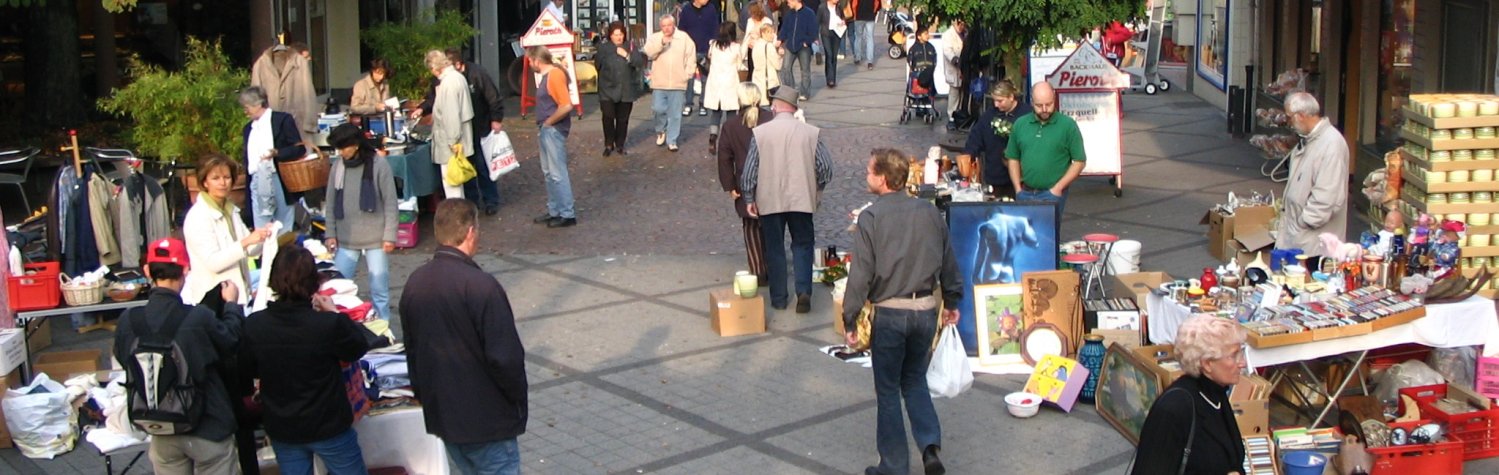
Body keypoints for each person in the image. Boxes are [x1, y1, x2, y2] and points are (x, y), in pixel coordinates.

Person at [842, 149, 960, 475]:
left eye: (868, 171)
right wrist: (952, 301)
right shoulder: (929, 212)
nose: (865, 176)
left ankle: (894, 466)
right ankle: (930, 448)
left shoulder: (871, 217)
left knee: (889, 390)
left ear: (882, 178)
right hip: (924, 308)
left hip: (891, 313)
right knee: (915, 380)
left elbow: (861, 273)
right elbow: (948, 260)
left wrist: (849, 317)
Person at [400, 199, 529, 475]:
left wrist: (425, 396)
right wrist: (516, 402)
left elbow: (412, 351)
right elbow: (506, 358)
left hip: (445, 417)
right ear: (470, 232)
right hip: (487, 421)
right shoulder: (482, 286)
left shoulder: (415, 282)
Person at [115, 238, 243, 475]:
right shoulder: (198, 318)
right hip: (209, 426)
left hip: (160, 426)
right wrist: (232, 306)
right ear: (186, 269)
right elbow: (231, 341)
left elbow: (124, 359)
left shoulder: (128, 320)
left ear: (147, 271)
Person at [241, 246, 371, 475]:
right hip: (328, 426)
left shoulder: (255, 325)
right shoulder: (327, 325)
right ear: (313, 282)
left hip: (284, 426)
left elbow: (247, 369)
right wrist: (334, 314)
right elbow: (357, 347)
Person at [741, 86, 833, 313]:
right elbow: (826, 168)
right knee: (803, 244)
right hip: (801, 198)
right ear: (794, 108)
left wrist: (749, 197)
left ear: (775, 106)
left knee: (774, 247)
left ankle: (779, 298)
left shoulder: (761, 133)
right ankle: (803, 292)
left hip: (770, 198)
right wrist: (816, 187)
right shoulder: (810, 132)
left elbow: (750, 171)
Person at [1131, 316, 1247, 474]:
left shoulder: (1217, 394)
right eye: (1234, 356)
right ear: (1207, 364)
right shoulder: (1173, 409)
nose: (1243, 363)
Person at [322, 124, 397, 320]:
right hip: (346, 238)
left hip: (376, 239)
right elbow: (330, 203)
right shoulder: (337, 167)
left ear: (355, 145)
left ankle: (384, 329)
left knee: (379, 289)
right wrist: (330, 233)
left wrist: (389, 236)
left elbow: (390, 202)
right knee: (337, 287)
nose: (340, 152)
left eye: (343, 147)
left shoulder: (379, 165)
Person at [182, 155, 272, 306]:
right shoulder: (198, 216)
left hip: (238, 297)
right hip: (212, 301)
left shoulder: (231, 211)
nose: (222, 183)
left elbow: (251, 250)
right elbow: (213, 262)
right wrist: (246, 241)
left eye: (227, 177)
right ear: (205, 182)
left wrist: (264, 236)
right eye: (216, 178)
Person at [1277, 91, 1349, 252]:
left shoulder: (1331, 144)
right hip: (1300, 234)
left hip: (1312, 241)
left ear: (1300, 115)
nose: (1288, 122)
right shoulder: (1309, 139)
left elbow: (1326, 195)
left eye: (1289, 117)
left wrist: (1305, 222)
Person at [1005, 82, 1086, 222]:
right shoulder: (1020, 124)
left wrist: (1058, 188)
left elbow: (1079, 161)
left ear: (1054, 99)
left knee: (1048, 236)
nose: (1044, 109)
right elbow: (1013, 157)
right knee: (1025, 235)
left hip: (1051, 193)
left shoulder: (1067, 125)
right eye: (1039, 105)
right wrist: (1018, 188)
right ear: (1031, 102)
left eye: (1048, 104)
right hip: (1026, 191)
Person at [718, 82, 773, 286]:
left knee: (750, 227)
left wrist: (729, 185)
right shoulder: (771, 119)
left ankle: (758, 270)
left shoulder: (731, 125)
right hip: (771, 180)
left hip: (744, 181)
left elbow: (724, 157)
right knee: (771, 226)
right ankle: (773, 266)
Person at [443, 49, 508, 216]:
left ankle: (490, 200)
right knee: (466, 166)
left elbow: (493, 97)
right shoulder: (447, 80)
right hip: (462, 132)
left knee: (483, 166)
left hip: (480, 127)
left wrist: (496, 119)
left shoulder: (478, 74)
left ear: (458, 64)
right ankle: (471, 201)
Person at [239, 86, 307, 232]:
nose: (245, 111)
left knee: (283, 222)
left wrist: (277, 153)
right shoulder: (248, 129)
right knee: (261, 225)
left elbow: (299, 148)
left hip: (279, 176)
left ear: (258, 104)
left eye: (247, 107)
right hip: (257, 178)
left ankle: (285, 252)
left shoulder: (282, 120)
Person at [527, 46, 578, 228]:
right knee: (549, 172)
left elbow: (566, 105)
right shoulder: (550, 75)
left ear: (536, 61)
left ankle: (566, 212)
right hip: (547, 128)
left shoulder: (554, 75)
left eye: (530, 61)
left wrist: (549, 122)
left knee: (557, 173)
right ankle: (555, 210)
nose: (530, 64)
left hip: (553, 129)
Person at [959, 80, 1030, 199]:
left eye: (1000, 101)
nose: (996, 105)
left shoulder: (1027, 114)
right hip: (995, 176)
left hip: (1023, 177)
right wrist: (967, 158)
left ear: (1011, 97)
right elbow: (976, 138)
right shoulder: (989, 115)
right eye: (994, 101)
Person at [644, 14, 697, 152]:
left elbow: (691, 56)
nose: (666, 28)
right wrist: (661, 43)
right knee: (658, 109)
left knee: (675, 114)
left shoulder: (683, 38)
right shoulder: (655, 38)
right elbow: (649, 53)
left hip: (678, 82)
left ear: (674, 25)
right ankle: (661, 129)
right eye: (663, 26)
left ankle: (672, 139)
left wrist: (688, 74)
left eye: (669, 25)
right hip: (659, 82)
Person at [426, 49, 473, 199]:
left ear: (435, 68)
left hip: (450, 142)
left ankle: (457, 218)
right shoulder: (458, 77)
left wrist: (452, 141)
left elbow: (451, 115)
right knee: (456, 182)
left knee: (452, 183)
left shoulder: (448, 83)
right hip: (457, 137)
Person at [596, 21, 646, 157]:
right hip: (607, 89)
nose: (619, 37)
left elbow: (639, 62)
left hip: (626, 89)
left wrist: (627, 55)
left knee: (622, 119)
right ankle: (608, 143)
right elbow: (598, 65)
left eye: (621, 34)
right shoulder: (603, 48)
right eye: (615, 35)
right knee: (608, 116)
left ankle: (620, 144)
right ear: (610, 36)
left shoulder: (630, 46)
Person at [703, 23, 745, 152]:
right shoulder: (736, 48)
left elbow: (709, 59)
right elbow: (739, 65)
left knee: (716, 112)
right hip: (730, 83)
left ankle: (713, 136)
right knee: (731, 112)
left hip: (715, 82)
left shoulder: (713, 46)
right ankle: (730, 139)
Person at [678, 0, 720, 117]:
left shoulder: (711, 8)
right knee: (689, 78)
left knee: (705, 78)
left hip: (705, 49)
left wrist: (713, 45)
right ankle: (688, 104)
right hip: (689, 50)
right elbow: (682, 29)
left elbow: (715, 28)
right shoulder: (686, 10)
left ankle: (703, 104)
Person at [778, 0, 817, 101]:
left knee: (805, 71)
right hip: (790, 45)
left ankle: (804, 93)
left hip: (803, 47)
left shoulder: (809, 13)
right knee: (785, 68)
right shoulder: (789, 14)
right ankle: (790, 91)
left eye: (789, 1)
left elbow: (814, 31)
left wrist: (807, 42)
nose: (788, 3)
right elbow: (784, 28)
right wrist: (780, 39)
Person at [748, 23, 784, 106]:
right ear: (763, 33)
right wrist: (780, 55)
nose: (772, 35)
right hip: (769, 82)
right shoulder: (769, 46)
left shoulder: (756, 45)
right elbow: (778, 65)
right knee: (770, 109)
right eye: (769, 32)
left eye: (773, 32)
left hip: (757, 80)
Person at [816, 0, 849, 88]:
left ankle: (832, 78)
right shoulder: (822, 7)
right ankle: (830, 79)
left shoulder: (839, 7)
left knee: (834, 56)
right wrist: (815, 37)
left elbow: (843, 18)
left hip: (836, 33)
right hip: (825, 33)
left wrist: (843, 22)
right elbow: (817, 21)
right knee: (829, 54)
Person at [940, 20, 965, 123]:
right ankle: (951, 114)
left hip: (963, 67)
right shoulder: (947, 35)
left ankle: (959, 112)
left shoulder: (964, 33)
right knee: (954, 91)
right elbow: (947, 50)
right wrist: (955, 59)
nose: (963, 26)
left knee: (962, 92)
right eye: (961, 24)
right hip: (954, 67)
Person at [850, 0, 880, 69]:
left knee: (858, 37)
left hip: (859, 16)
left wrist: (854, 15)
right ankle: (870, 61)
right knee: (870, 38)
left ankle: (857, 57)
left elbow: (854, 4)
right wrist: (874, 11)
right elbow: (877, 2)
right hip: (870, 17)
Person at [907, 25, 937, 90]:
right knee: (915, 95)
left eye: (928, 34)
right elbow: (910, 61)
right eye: (925, 34)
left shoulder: (931, 47)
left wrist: (931, 69)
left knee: (929, 96)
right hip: (917, 75)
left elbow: (934, 60)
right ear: (919, 37)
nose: (928, 36)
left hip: (929, 75)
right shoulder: (913, 49)